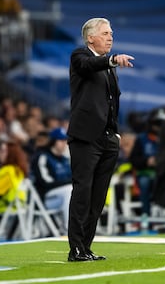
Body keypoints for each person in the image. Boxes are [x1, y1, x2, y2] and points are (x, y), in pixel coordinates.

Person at [67, 17, 134, 261]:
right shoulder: (79, 56)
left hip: (107, 139)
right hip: (85, 137)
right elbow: (88, 66)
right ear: (90, 38)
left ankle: (86, 247)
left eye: (111, 33)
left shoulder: (108, 67)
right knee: (83, 192)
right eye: (105, 33)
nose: (110, 37)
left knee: (98, 197)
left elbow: (112, 101)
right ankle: (75, 248)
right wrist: (112, 60)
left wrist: (115, 133)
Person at [31, 127, 72, 234]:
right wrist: (69, 182)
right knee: (70, 190)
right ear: (53, 141)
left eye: (65, 140)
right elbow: (45, 182)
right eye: (61, 140)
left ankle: (83, 227)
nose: (64, 144)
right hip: (46, 197)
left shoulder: (65, 160)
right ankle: (68, 229)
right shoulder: (43, 157)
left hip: (61, 196)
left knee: (78, 190)